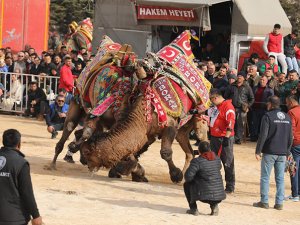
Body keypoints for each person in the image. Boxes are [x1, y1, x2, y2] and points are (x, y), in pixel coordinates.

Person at [253, 96, 292, 210]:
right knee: (280, 178)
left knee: (265, 177)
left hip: (270, 151)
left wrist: (258, 150)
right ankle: (279, 203)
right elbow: (290, 137)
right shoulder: (287, 117)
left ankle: (264, 201)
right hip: (282, 152)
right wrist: (287, 151)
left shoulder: (268, 116)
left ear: (270, 104)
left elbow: (263, 135)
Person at [0, 129, 43, 225]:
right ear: (19, 144)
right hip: (14, 218)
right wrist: (36, 215)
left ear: (3, 141)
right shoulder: (21, 163)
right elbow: (26, 192)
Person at [184, 141, 226, 216]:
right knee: (212, 182)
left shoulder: (197, 161)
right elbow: (218, 167)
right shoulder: (217, 159)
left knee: (187, 184)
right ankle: (214, 207)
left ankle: (193, 209)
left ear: (199, 150)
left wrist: (196, 178)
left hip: (204, 196)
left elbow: (188, 177)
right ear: (210, 150)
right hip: (219, 196)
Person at [208, 88, 236, 193]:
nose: (210, 101)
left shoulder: (228, 107)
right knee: (213, 161)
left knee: (227, 161)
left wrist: (226, 137)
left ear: (215, 97)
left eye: (211, 99)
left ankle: (230, 186)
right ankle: (214, 183)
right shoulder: (216, 106)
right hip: (214, 136)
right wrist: (196, 111)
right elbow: (207, 111)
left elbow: (231, 123)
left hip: (224, 138)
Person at [224, 71, 254, 144]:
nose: (239, 77)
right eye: (238, 76)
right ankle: (231, 138)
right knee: (231, 123)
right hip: (232, 108)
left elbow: (252, 98)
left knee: (240, 125)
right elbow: (226, 96)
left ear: (244, 78)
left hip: (242, 109)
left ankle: (238, 139)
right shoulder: (231, 86)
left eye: (241, 76)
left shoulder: (247, 87)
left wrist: (248, 106)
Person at [285, 95, 300, 202]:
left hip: (295, 144)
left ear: (290, 103)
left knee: (293, 168)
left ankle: (295, 194)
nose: (286, 105)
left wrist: (288, 144)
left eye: (286, 103)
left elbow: (291, 130)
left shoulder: (291, 112)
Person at [250, 76, 274, 141]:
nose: (262, 81)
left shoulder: (269, 90)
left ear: (266, 81)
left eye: (263, 80)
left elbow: (271, 100)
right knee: (254, 124)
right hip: (255, 109)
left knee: (262, 124)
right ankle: (253, 137)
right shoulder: (255, 88)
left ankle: (261, 138)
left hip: (264, 109)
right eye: (261, 80)